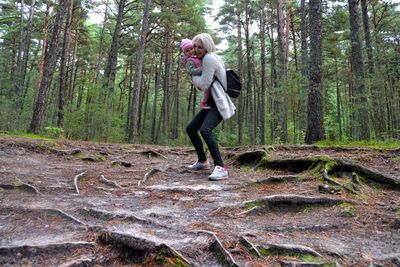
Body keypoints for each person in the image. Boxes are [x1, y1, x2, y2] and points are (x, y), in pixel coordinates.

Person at [186, 33, 236, 181]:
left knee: (205, 130)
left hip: (218, 103)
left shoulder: (208, 59)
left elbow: (203, 84)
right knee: (191, 129)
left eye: (200, 47)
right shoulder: (208, 58)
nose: (196, 49)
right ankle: (202, 161)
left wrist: (192, 75)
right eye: (194, 46)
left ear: (207, 47)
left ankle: (221, 167)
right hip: (211, 103)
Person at [180, 38, 210, 109]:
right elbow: (191, 71)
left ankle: (208, 100)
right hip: (196, 77)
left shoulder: (197, 56)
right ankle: (203, 102)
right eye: (187, 51)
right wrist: (201, 69)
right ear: (185, 53)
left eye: (191, 48)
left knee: (209, 87)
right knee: (207, 88)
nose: (190, 51)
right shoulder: (189, 61)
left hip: (202, 74)